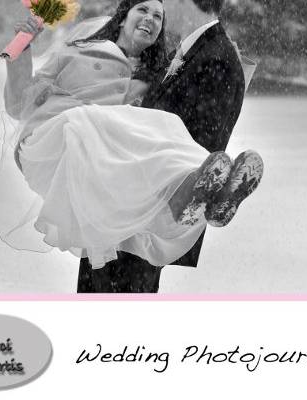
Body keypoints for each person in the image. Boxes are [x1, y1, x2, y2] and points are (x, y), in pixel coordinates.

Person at [0, 0, 262, 286]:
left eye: (158, 16)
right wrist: (21, 48)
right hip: (67, 139)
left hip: (115, 187)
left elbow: (179, 123)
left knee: (164, 126)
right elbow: (18, 103)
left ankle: (207, 190)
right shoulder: (78, 50)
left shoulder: (154, 75)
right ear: (123, 16)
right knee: (113, 122)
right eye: (143, 10)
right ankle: (194, 187)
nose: (151, 18)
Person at [77, 0, 260, 292]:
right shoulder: (192, 50)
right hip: (124, 206)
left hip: (147, 217)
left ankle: (218, 197)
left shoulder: (218, 58)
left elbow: (201, 143)